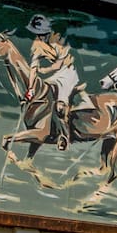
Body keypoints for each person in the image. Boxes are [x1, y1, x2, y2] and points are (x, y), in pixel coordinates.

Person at [26, 14, 82, 148]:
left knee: (60, 106)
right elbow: (33, 69)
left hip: (68, 73)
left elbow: (57, 65)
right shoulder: (36, 45)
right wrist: (31, 89)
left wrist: (44, 71)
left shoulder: (58, 40)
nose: (40, 37)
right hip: (56, 73)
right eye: (37, 34)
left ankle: (64, 136)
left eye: (42, 34)